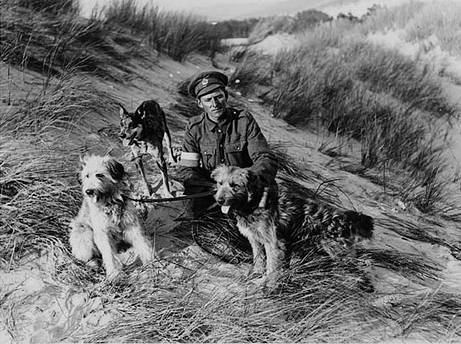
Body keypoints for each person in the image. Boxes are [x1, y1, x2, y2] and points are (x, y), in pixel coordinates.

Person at [178, 70, 278, 220]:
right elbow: (187, 169)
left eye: (218, 97)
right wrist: (214, 187)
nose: (214, 104)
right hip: (210, 195)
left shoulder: (244, 121)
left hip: (243, 194)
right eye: (208, 100)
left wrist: (248, 180)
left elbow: (265, 158)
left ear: (226, 96)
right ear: (200, 103)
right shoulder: (194, 128)